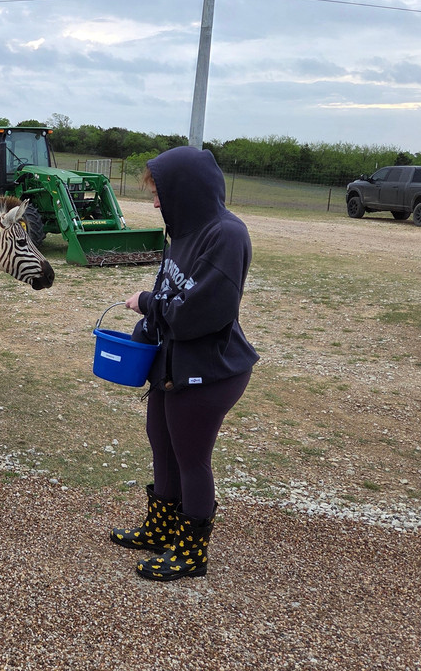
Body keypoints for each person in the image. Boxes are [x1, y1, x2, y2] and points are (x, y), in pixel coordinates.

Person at [109, 146, 259, 582]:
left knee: (192, 458)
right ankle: (161, 529)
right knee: (162, 442)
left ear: (185, 190)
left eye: (160, 193)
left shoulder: (227, 235)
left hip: (210, 370)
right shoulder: (183, 233)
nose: (156, 203)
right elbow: (170, 295)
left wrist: (147, 303)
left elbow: (202, 313)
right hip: (172, 364)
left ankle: (192, 552)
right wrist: (145, 329)